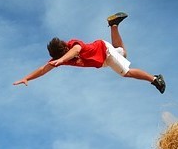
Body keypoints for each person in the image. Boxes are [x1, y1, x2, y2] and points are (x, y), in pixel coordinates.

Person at [12, 12, 166, 94]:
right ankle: (113, 25)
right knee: (123, 53)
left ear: (64, 49)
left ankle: (154, 79)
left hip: (104, 52)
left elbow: (76, 50)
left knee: (126, 73)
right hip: (103, 58)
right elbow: (43, 69)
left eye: (62, 57)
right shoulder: (62, 58)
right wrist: (27, 78)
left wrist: (61, 60)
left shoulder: (72, 44)